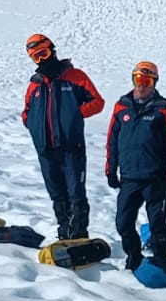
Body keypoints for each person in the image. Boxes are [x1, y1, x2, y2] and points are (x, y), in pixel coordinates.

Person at [21, 34, 105, 241]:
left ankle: (79, 235)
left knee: (75, 193)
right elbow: (26, 112)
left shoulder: (75, 76)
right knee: (57, 194)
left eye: (44, 54)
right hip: (46, 149)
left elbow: (97, 101)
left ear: (53, 51)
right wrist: (32, 125)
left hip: (71, 147)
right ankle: (64, 234)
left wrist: (75, 115)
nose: (41, 60)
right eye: (36, 57)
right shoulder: (35, 85)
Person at [105, 60, 166, 270]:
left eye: (147, 81)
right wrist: (111, 169)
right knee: (123, 222)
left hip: (155, 180)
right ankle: (133, 255)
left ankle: (161, 262)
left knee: (157, 225)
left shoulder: (164, 110)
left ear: (154, 83)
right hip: (129, 178)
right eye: (138, 80)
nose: (142, 85)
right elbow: (112, 139)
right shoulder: (121, 107)